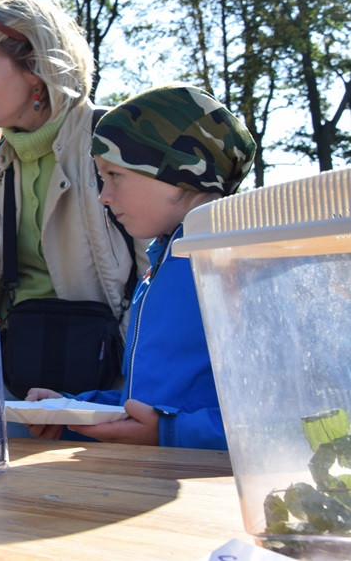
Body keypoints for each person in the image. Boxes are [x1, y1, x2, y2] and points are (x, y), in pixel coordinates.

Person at [26, 84, 256, 450]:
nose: (104, 195)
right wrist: (72, 409)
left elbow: (288, 417)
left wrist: (168, 433)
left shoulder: (240, 263)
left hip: (219, 497)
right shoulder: (164, 260)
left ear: (181, 171)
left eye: (115, 174)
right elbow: (153, 403)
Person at [0, 0, 145, 403]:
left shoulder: (113, 138)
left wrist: (111, 396)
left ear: (36, 68)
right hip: (15, 388)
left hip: (110, 390)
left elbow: (153, 276)